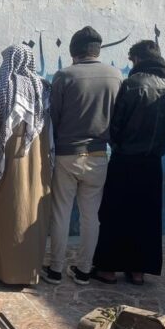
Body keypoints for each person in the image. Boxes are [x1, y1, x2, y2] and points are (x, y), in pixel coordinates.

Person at [92, 41, 165, 285]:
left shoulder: (132, 84)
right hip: (153, 160)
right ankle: (138, 271)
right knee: (146, 216)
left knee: (115, 214)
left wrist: (117, 143)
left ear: (137, 58)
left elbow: (116, 124)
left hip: (125, 159)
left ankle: (107, 269)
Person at [43, 26, 122, 286]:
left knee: (61, 213)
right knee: (91, 216)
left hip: (67, 156)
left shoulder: (64, 75)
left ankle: (55, 269)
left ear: (73, 51)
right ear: (97, 50)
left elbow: (54, 117)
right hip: (99, 155)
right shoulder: (115, 76)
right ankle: (84, 270)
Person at [0, 44, 52, 285]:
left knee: (7, 216)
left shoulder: (1, 89)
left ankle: (3, 271)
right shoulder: (44, 89)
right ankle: (28, 271)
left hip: (8, 164)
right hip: (37, 163)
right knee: (30, 215)